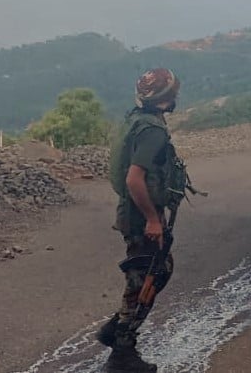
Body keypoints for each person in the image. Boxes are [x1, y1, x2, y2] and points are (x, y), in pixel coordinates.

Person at [97, 68, 184, 373]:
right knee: (144, 277)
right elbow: (135, 179)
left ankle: (116, 330)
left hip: (133, 211)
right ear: (167, 98)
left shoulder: (138, 119)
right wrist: (153, 220)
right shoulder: (152, 131)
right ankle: (121, 353)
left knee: (156, 270)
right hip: (140, 213)